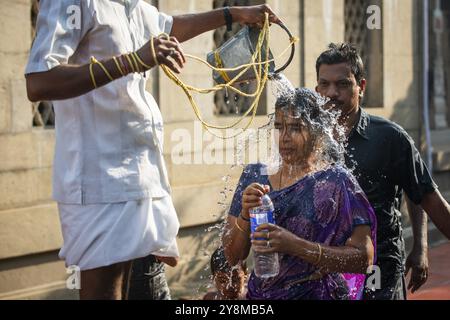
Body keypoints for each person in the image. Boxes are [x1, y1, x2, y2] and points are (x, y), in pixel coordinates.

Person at [25, 0, 280, 300]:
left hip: (141, 177)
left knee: (144, 284)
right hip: (97, 183)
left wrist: (234, 14)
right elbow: (39, 81)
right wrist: (133, 61)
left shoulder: (133, 6)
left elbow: (170, 26)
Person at [314, 43, 450, 300]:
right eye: (325, 84)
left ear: (361, 87)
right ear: (316, 89)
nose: (332, 93)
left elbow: (424, 194)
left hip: (379, 271)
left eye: (342, 84)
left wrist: (420, 246)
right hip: (326, 270)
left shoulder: (390, 138)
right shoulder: (308, 138)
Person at [223, 88, 377, 300]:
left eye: (295, 128)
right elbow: (232, 256)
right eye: (279, 127)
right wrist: (244, 214)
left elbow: (364, 259)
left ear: (317, 132)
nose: (285, 138)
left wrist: (296, 246)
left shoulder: (335, 182)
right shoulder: (254, 175)